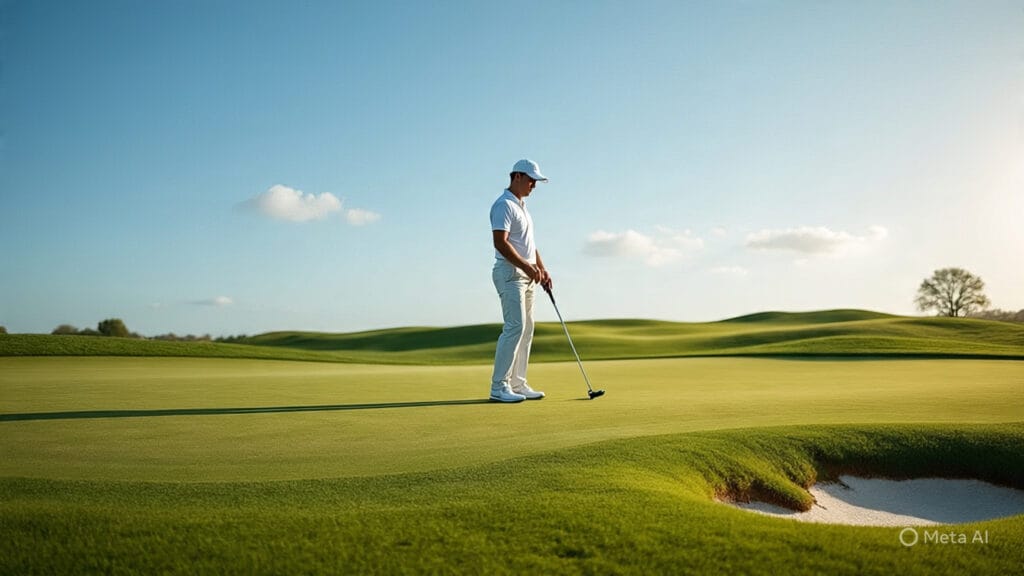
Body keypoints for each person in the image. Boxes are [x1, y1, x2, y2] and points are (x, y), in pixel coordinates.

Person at [489, 159, 553, 403]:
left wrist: (542, 269)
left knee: (527, 329)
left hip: (527, 276)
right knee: (515, 327)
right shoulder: (503, 205)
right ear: (516, 176)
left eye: (535, 181)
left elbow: (529, 246)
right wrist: (527, 266)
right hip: (509, 274)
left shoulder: (523, 208)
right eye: (530, 180)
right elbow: (500, 243)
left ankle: (518, 383)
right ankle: (499, 387)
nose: (533, 185)